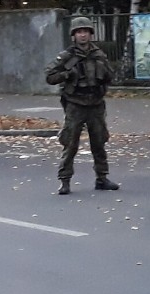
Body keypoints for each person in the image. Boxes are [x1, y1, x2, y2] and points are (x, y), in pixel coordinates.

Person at [45, 16, 119, 195]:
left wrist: (105, 73)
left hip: (95, 104)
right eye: (79, 32)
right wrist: (67, 74)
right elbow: (50, 76)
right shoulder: (67, 56)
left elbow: (110, 76)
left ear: (90, 34)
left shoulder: (99, 54)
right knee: (70, 144)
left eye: (85, 31)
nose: (83, 35)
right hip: (75, 105)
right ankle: (65, 180)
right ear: (74, 35)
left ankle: (102, 178)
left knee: (99, 142)